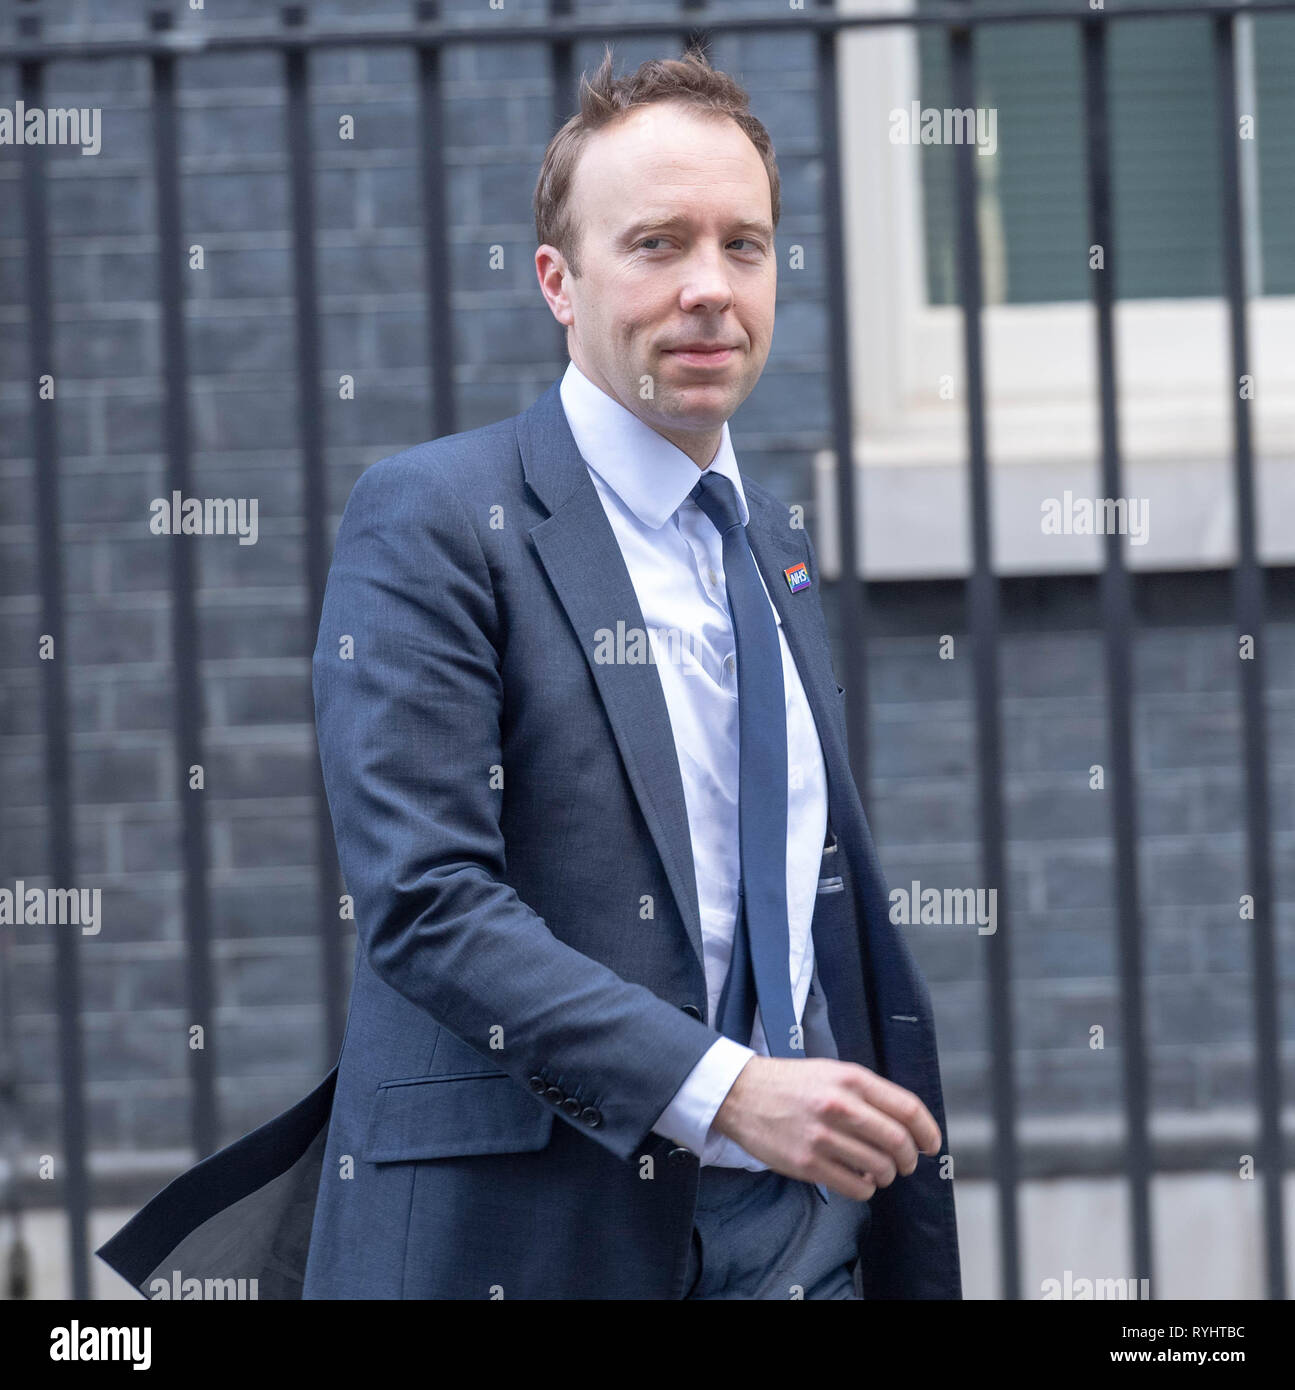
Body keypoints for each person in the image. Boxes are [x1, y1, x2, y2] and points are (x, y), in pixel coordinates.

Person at [96, 46, 960, 1301]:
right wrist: (728, 1093)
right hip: (535, 1233)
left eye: (744, 245)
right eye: (657, 244)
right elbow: (427, 899)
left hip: (796, 1238)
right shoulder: (433, 517)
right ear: (557, 281)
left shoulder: (768, 540)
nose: (710, 289)